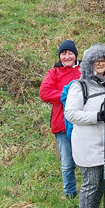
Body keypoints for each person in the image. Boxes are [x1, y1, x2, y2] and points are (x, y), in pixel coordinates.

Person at [64, 45, 105, 208]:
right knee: (92, 183)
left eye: (103, 62)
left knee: (102, 182)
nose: (100, 65)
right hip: (88, 145)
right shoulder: (79, 86)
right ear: (89, 65)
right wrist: (95, 116)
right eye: (96, 62)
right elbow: (71, 113)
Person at [39, 39, 82, 199]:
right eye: (63, 53)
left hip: (81, 122)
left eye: (70, 53)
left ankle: (87, 192)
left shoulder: (83, 70)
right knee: (67, 163)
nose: (67, 56)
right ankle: (70, 194)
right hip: (61, 123)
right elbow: (45, 93)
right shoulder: (54, 73)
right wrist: (67, 95)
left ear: (75, 54)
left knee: (85, 160)